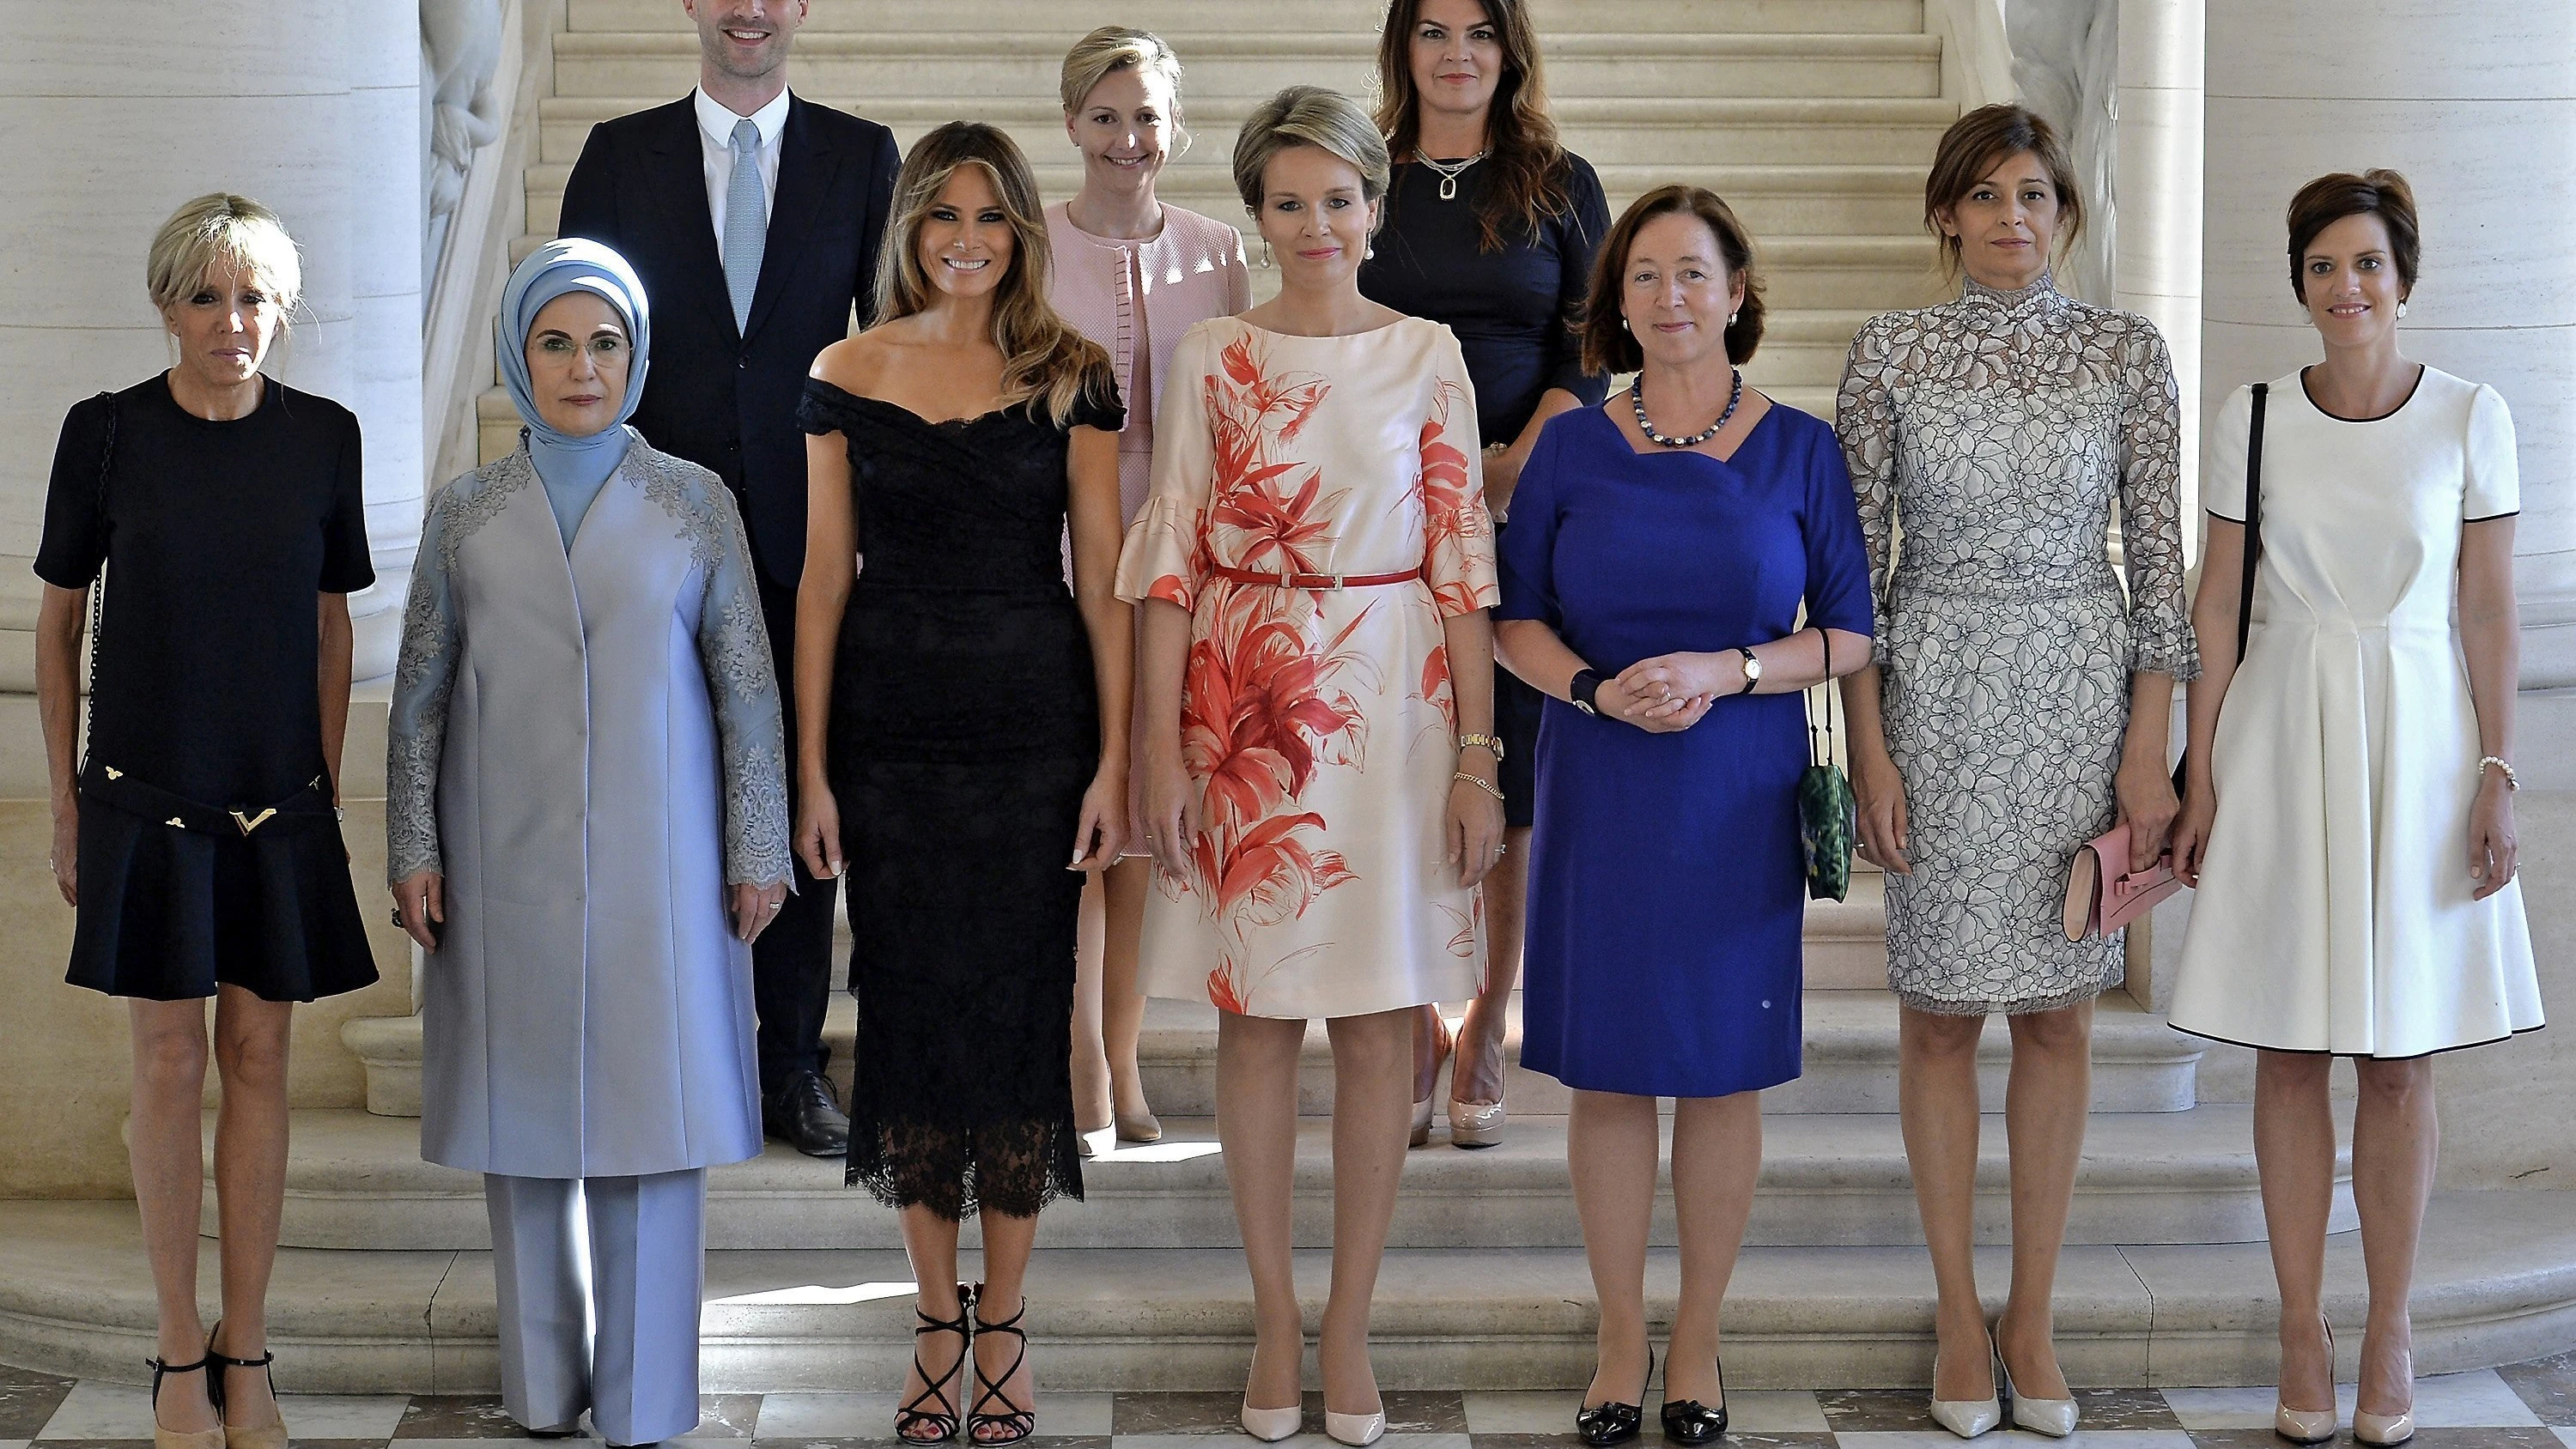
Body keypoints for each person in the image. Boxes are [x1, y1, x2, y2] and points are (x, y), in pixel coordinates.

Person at [1119, 85, 1504, 1449]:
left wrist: (1476, 758)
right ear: (1259, 214)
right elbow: (1167, 555)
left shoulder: (1426, 352)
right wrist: (1162, 750)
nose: (1316, 224)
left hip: (1393, 700)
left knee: (1383, 1022)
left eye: (1338, 198)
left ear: (1374, 205)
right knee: (1257, 1017)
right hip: (1247, 696)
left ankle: (1349, 1323)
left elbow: (1465, 567)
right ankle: (1275, 1316)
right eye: (1289, 201)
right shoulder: (1215, 350)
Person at [386, 239, 791, 1448]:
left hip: (661, 866)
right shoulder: (466, 511)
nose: (581, 367)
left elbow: (748, 690)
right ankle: (542, 1387)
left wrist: (755, 841)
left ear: (637, 355)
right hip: (498, 852)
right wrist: (414, 846)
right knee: (526, 1135)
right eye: (555, 342)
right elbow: (416, 697)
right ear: (518, 353)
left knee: (652, 1125)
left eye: (603, 343)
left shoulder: (694, 499)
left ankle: (647, 1398)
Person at [1832, 104, 2196, 1439]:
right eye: (1983, 195)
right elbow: (1853, 581)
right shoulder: (1888, 353)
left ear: (2066, 213)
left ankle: (2030, 1312)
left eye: (2034, 195)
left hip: (2078, 695)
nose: (2010, 218)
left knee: (2057, 1013)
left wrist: (2147, 752)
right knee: (1935, 1014)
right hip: (1930, 693)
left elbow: (2159, 573)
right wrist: (1865, 744)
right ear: (1945, 214)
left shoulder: (2123, 352)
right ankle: (1952, 1305)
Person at [2167, 170, 2543, 1449]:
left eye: (2369, 265)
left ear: (2405, 276)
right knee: (2287, 1043)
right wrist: (2199, 769)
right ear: (2301, 282)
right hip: (2281, 730)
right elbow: (2216, 608)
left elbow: (2489, 609)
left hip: (2425, 740)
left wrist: (2499, 767)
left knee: (2399, 1055)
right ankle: (2298, 1326)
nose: (2348, 288)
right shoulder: (2256, 413)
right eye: (2325, 266)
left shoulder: (2470, 416)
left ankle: (2389, 1325)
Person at [1497, 184, 1874, 1446]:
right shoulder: (1569, 445)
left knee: (1720, 1076)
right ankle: (1617, 1340)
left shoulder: (1801, 448)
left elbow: (1851, 631)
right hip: (1602, 780)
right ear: (1616, 305)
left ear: (1738, 295)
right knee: (1609, 1076)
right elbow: (1515, 624)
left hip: (1738, 785)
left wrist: (1731, 670)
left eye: (1695, 275)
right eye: (1646, 277)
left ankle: (1698, 1341)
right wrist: (1599, 692)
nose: (1671, 298)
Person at [793, 122, 1131, 1446]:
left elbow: (1102, 581)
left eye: (991, 216)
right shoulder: (844, 369)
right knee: (913, 1028)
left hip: (1034, 738)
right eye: (945, 216)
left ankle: (1010, 1325)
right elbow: (825, 582)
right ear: (910, 226)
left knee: (1016, 1028)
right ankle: (938, 1320)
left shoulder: (1075, 375)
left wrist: (1117, 760)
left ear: (1024, 230)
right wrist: (811, 769)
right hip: (889, 741)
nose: (968, 240)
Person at [33, 192, 376, 1449]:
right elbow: (62, 621)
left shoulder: (325, 436)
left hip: (277, 803)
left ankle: (250, 1350)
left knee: (263, 1061)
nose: (232, 323)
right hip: (141, 800)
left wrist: (326, 794)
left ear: (283, 310)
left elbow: (334, 624)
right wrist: (67, 806)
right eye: (206, 297)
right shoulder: (106, 435)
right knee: (169, 1062)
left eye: (254, 299)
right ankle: (179, 1353)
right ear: (167, 303)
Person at [556, 0, 902, 1157]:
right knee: (660, 784)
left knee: (803, 781)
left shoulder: (861, 155)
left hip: (812, 538)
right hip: (655, 527)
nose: (749, 9)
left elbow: (883, 352)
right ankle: (660, 1049)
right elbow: (581, 343)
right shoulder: (618, 155)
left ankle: (792, 1063)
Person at [1359, 0, 1611, 1149]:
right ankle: (1414, 1020)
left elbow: (1588, 351)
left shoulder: (1559, 183)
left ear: (1510, 52)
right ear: (1402, 49)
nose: (1456, 52)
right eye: (1433, 30)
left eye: (1479, 31)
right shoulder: (1364, 174)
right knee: (1403, 767)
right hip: (1377, 518)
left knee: (1499, 781)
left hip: (1521, 511)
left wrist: (1512, 465)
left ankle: (1486, 1028)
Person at [1043, 25, 1254, 1156]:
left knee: (1139, 829)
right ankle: (1075, 1053)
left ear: (1176, 131)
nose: (1129, 138)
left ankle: (1122, 1056)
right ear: (1072, 122)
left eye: (1148, 118)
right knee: (1079, 806)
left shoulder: (1220, 249)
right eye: (1107, 115)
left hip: (1179, 556)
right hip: (1062, 548)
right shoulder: (1027, 244)